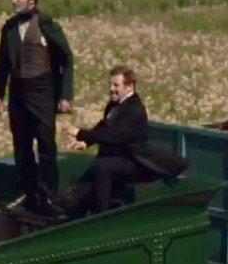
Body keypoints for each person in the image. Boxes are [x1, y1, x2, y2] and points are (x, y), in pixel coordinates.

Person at [0, 0, 73, 215]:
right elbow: (3, 62)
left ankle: (49, 195)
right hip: (18, 92)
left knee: (46, 144)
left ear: (32, 0)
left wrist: (65, 95)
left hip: (42, 90)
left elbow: (67, 58)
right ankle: (29, 193)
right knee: (21, 145)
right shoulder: (9, 27)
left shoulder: (46, 24)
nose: (14, 0)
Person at [65, 66, 189, 216]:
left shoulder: (135, 109)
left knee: (101, 168)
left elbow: (114, 136)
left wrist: (80, 133)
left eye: (116, 85)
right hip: (114, 158)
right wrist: (86, 142)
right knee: (79, 193)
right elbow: (103, 126)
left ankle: (100, 217)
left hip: (133, 160)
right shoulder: (114, 104)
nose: (111, 89)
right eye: (110, 84)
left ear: (130, 86)